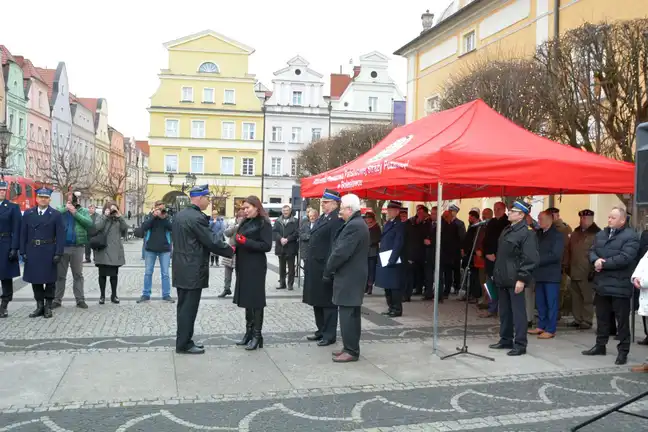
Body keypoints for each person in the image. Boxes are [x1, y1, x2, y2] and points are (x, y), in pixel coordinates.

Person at [171, 185, 233, 354]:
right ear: (199, 198)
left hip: (181, 267)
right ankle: (184, 344)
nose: (209, 201)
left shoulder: (179, 215)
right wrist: (230, 250)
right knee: (189, 309)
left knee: (183, 307)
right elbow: (211, 241)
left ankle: (183, 340)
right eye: (207, 198)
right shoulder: (196, 218)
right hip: (192, 268)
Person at [582, 207, 639, 365]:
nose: (609, 220)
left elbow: (626, 257)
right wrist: (595, 260)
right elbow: (592, 251)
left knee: (622, 321)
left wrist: (603, 263)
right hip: (602, 284)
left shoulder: (631, 236)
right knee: (602, 318)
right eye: (608, 217)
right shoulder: (601, 234)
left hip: (620, 285)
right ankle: (600, 345)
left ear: (622, 220)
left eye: (613, 217)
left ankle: (623, 351)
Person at [488, 201, 539, 356]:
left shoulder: (527, 233)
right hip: (503, 277)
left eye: (513, 211)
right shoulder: (507, 229)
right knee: (504, 311)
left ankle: (520, 344)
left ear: (521, 215)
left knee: (518, 313)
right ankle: (505, 339)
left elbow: (530, 258)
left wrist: (522, 279)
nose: (509, 213)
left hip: (515, 278)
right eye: (510, 210)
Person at [324, 194, 369, 363]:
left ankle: (351, 350)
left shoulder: (354, 226)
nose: (340, 211)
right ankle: (349, 347)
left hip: (350, 277)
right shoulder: (355, 223)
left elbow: (341, 252)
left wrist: (329, 268)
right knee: (351, 314)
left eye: (342, 208)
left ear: (349, 209)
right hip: (352, 276)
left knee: (348, 315)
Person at [303, 189, 344, 346]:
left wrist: (330, 269)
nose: (323, 204)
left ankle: (329, 334)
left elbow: (334, 246)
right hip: (314, 266)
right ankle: (320, 330)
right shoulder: (322, 218)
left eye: (325, 202)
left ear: (334, 204)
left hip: (324, 267)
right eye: (322, 202)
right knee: (317, 301)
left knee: (327, 303)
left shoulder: (336, 220)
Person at [233, 196, 273, 351]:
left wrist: (245, 242)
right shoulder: (245, 222)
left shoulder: (264, 223)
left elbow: (266, 245)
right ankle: (249, 332)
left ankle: (257, 335)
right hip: (243, 264)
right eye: (243, 208)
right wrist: (237, 243)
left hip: (255, 266)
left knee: (255, 301)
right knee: (247, 300)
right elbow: (239, 238)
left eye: (247, 207)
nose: (245, 210)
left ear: (257, 207)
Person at [20, 188, 64, 318]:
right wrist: (22, 251)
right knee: (36, 280)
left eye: (45, 197)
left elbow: (60, 235)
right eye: (40, 197)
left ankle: (48, 306)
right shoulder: (28, 213)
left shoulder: (55, 214)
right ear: (36, 199)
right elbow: (23, 233)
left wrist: (58, 253)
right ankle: (39, 305)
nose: (43, 199)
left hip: (49, 250)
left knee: (50, 280)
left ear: (49, 199)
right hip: (33, 250)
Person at [53, 191, 93, 309]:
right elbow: (54, 215)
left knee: (78, 275)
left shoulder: (83, 211)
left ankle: (80, 299)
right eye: (70, 200)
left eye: (74, 200)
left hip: (77, 247)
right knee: (60, 275)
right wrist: (66, 208)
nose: (72, 202)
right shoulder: (61, 209)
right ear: (67, 200)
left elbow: (89, 223)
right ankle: (57, 299)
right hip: (62, 247)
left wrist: (75, 213)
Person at [528, 210, 564, 339]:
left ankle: (551, 329)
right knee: (540, 303)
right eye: (538, 218)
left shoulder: (557, 235)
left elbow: (555, 255)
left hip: (551, 275)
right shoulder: (538, 233)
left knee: (551, 303)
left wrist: (537, 260)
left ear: (549, 220)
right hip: (539, 274)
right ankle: (541, 326)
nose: (539, 221)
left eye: (541, 219)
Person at [564, 209, 600, 329]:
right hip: (574, 269)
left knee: (587, 298)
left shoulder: (597, 234)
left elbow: (599, 253)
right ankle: (577, 318)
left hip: (587, 271)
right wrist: (567, 265)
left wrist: (594, 270)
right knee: (576, 297)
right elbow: (569, 249)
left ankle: (587, 320)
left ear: (591, 219)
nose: (582, 220)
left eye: (585, 218)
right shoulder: (576, 232)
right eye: (581, 218)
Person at [374, 201, 406, 317]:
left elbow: (398, 243)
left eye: (391, 210)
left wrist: (392, 259)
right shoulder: (388, 223)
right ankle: (390, 307)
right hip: (385, 257)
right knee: (387, 286)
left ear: (397, 211)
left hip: (393, 260)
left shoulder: (399, 225)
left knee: (394, 286)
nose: (389, 212)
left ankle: (397, 309)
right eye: (388, 210)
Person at [138, 204, 174, 303]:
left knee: (165, 273)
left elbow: (172, 228)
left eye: (162, 209)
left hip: (165, 249)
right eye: (159, 209)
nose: (160, 211)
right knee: (148, 272)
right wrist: (153, 216)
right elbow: (145, 227)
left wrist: (164, 217)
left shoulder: (167, 217)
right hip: (150, 249)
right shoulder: (150, 217)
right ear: (155, 209)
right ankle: (146, 294)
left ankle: (166, 294)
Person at [94, 201, 129, 304]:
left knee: (114, 275)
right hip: (103, 250)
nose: (112, 211)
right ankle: (102, 296)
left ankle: (114, 295)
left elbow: (125, 230)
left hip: (115, 250)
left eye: (114, 208)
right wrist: (106, 216)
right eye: (111, 208)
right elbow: (97, 228)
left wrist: (120, 216)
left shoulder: (118, 219)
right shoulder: (101, 217)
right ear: (106, 209)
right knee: (102, 275)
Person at [0, 181, 21, 318]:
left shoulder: (13, 207)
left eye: (3, 190)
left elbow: (17, 229)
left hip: (5, 243)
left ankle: (4, 304)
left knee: (5, 276)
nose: (1, 192)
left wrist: (14, 247)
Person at [218, 209, 245, 298]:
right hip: (230, 251)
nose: (240, 220)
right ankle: (226, 288)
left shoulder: (246, 227)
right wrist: (235, 227)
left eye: (242, 218)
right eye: (239, 218)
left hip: (240, 252)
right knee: (227, 271)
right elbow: (226, 233)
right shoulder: (233, 226)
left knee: (239, 272)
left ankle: (239, 290)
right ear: (236, 219)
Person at [273, 205, 298, 291]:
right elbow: (274, 232)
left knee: (291, 268)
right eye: (284, 211)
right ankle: (282, 283)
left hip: (291, 247)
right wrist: (280, 238)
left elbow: (296, 233)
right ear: (282, 211)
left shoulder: (295, 221)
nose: (285, 212)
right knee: (281, 267)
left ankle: (290, 284)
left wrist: (288, 239)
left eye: (287, 210)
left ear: (290, 211)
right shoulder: (278, 221)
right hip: (280, 247)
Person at [364, 212, 381, 295]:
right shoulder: (364, 226)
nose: (367, 219)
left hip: (372, 251)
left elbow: (377, 238)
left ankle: (370, 286)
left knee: (371, 269)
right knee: (366, 270)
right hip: (365, 251)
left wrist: (369, 242)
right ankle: (365, 286)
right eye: (366, 217)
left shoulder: (376, 227)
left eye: (369, 217)